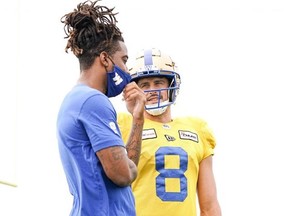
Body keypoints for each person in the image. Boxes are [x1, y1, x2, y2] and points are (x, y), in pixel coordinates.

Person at [56, 1, 146, 215]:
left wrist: (138, 119)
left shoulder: (76, 100)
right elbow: (123, 174)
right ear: (105, 59)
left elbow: (124, 169)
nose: (126, 69)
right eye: (123, 60)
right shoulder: (93, 101)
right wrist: (127, 168)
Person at [117, 48, 222, 216]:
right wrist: (136, 116)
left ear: (171, 85)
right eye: (144, 85)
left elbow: (209, 206)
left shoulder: (197, 129)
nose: (152, 90)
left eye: (158, 82)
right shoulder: (122, 124)